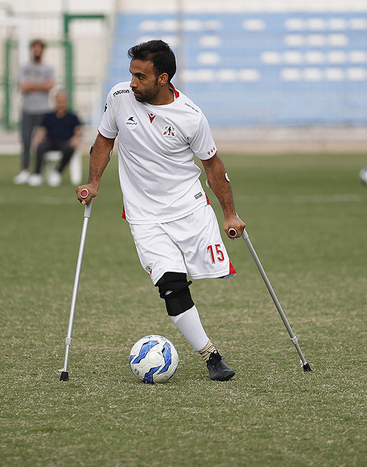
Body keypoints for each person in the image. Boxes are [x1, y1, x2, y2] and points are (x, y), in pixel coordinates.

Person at [76, 40, 246, 381]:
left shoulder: (191, 117)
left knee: (209, 275)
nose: (133, 83)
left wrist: (230, 213)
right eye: (131, 75)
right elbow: (105, 140)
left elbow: (212, 166)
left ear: (163, 78)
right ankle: (211, 356)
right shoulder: (119, 97)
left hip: (189, 209)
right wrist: (93, 182)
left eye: (141, 76)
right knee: (171, 284)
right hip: (144, 215)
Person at [13, 39, 55, 185]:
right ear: (32, 50)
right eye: (35, 48)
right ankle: (25, 170)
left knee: (44, 142)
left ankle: (40, 172)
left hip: (44, 110)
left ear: (43, 51)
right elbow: (23, 86)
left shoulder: (48, 68)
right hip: (27, 110)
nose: (37, 51)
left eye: (39, 49)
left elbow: (49, 86)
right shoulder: (24, 67)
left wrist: (32, 85)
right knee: (26, 141)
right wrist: (40, 85)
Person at [29, 91, 83, 187]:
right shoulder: (48, 116)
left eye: (63, 101)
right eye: (59, 101)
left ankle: (57, 172)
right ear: (55, 102)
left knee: (70, 149)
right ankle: (37, 174)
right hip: (51, 141)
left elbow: (78, 131)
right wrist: (37, 139)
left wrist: (76, 139)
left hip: (65, 142)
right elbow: (42, 130)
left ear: (66, 102)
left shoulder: (72, 116)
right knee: (40, 147)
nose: (61, 104)